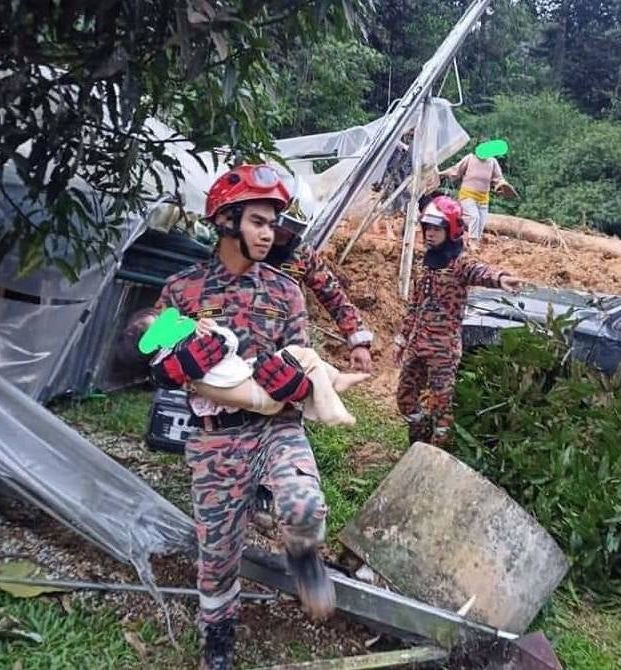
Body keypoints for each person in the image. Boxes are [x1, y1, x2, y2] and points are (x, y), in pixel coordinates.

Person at [135, 164, 337, 669]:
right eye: (258, 222)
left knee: (305, 506)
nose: (269, 233)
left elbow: (303, 359)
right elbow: (152, 352)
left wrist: (294, 382)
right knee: (218, 556)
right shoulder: (182, 290)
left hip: (275, 427)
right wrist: (174, 366)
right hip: (214, 438)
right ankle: (219, 641)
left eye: (273, 223)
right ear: (226, 222)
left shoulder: (286, 292)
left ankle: (303, 554)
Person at [392, 194, 526, 446]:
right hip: (417, 345)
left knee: (441, 410)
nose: (430, 234)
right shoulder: (426, 263)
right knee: (405, 399)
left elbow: (479, 271)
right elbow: (414, 305)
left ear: (451, 230)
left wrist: (500, 278)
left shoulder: (459, 264)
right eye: (427, 228)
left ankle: (436, 456)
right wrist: (401, 339)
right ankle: (418, 443)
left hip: (443, 350)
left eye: (436, 229)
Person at [128, 307, 369, 426]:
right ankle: (331, 410)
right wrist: (210, 330)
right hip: (259, 394)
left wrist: (206, 326)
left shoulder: (182, 350)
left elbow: (227, 347)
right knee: (304, 356)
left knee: (299, 355)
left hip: (252, 384)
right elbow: (229, 343)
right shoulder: (178, 358)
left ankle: (336, 380)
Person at [263, 208, 375, 373]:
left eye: (293, 227)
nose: (284, 232)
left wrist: (358, 341)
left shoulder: (301, 254)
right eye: (282, 225)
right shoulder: (242, 246)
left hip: (287, 345)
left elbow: (332, 294)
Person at [440, 143, 518, 250]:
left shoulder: (492, 162)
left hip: (483, 198)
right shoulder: (470, 159)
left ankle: (473, 241)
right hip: (467, 194)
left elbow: (499, 178)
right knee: (474, 216)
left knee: (481, 222)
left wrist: (502, 186)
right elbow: (455, 170)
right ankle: (472, 241)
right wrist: (441, 173)